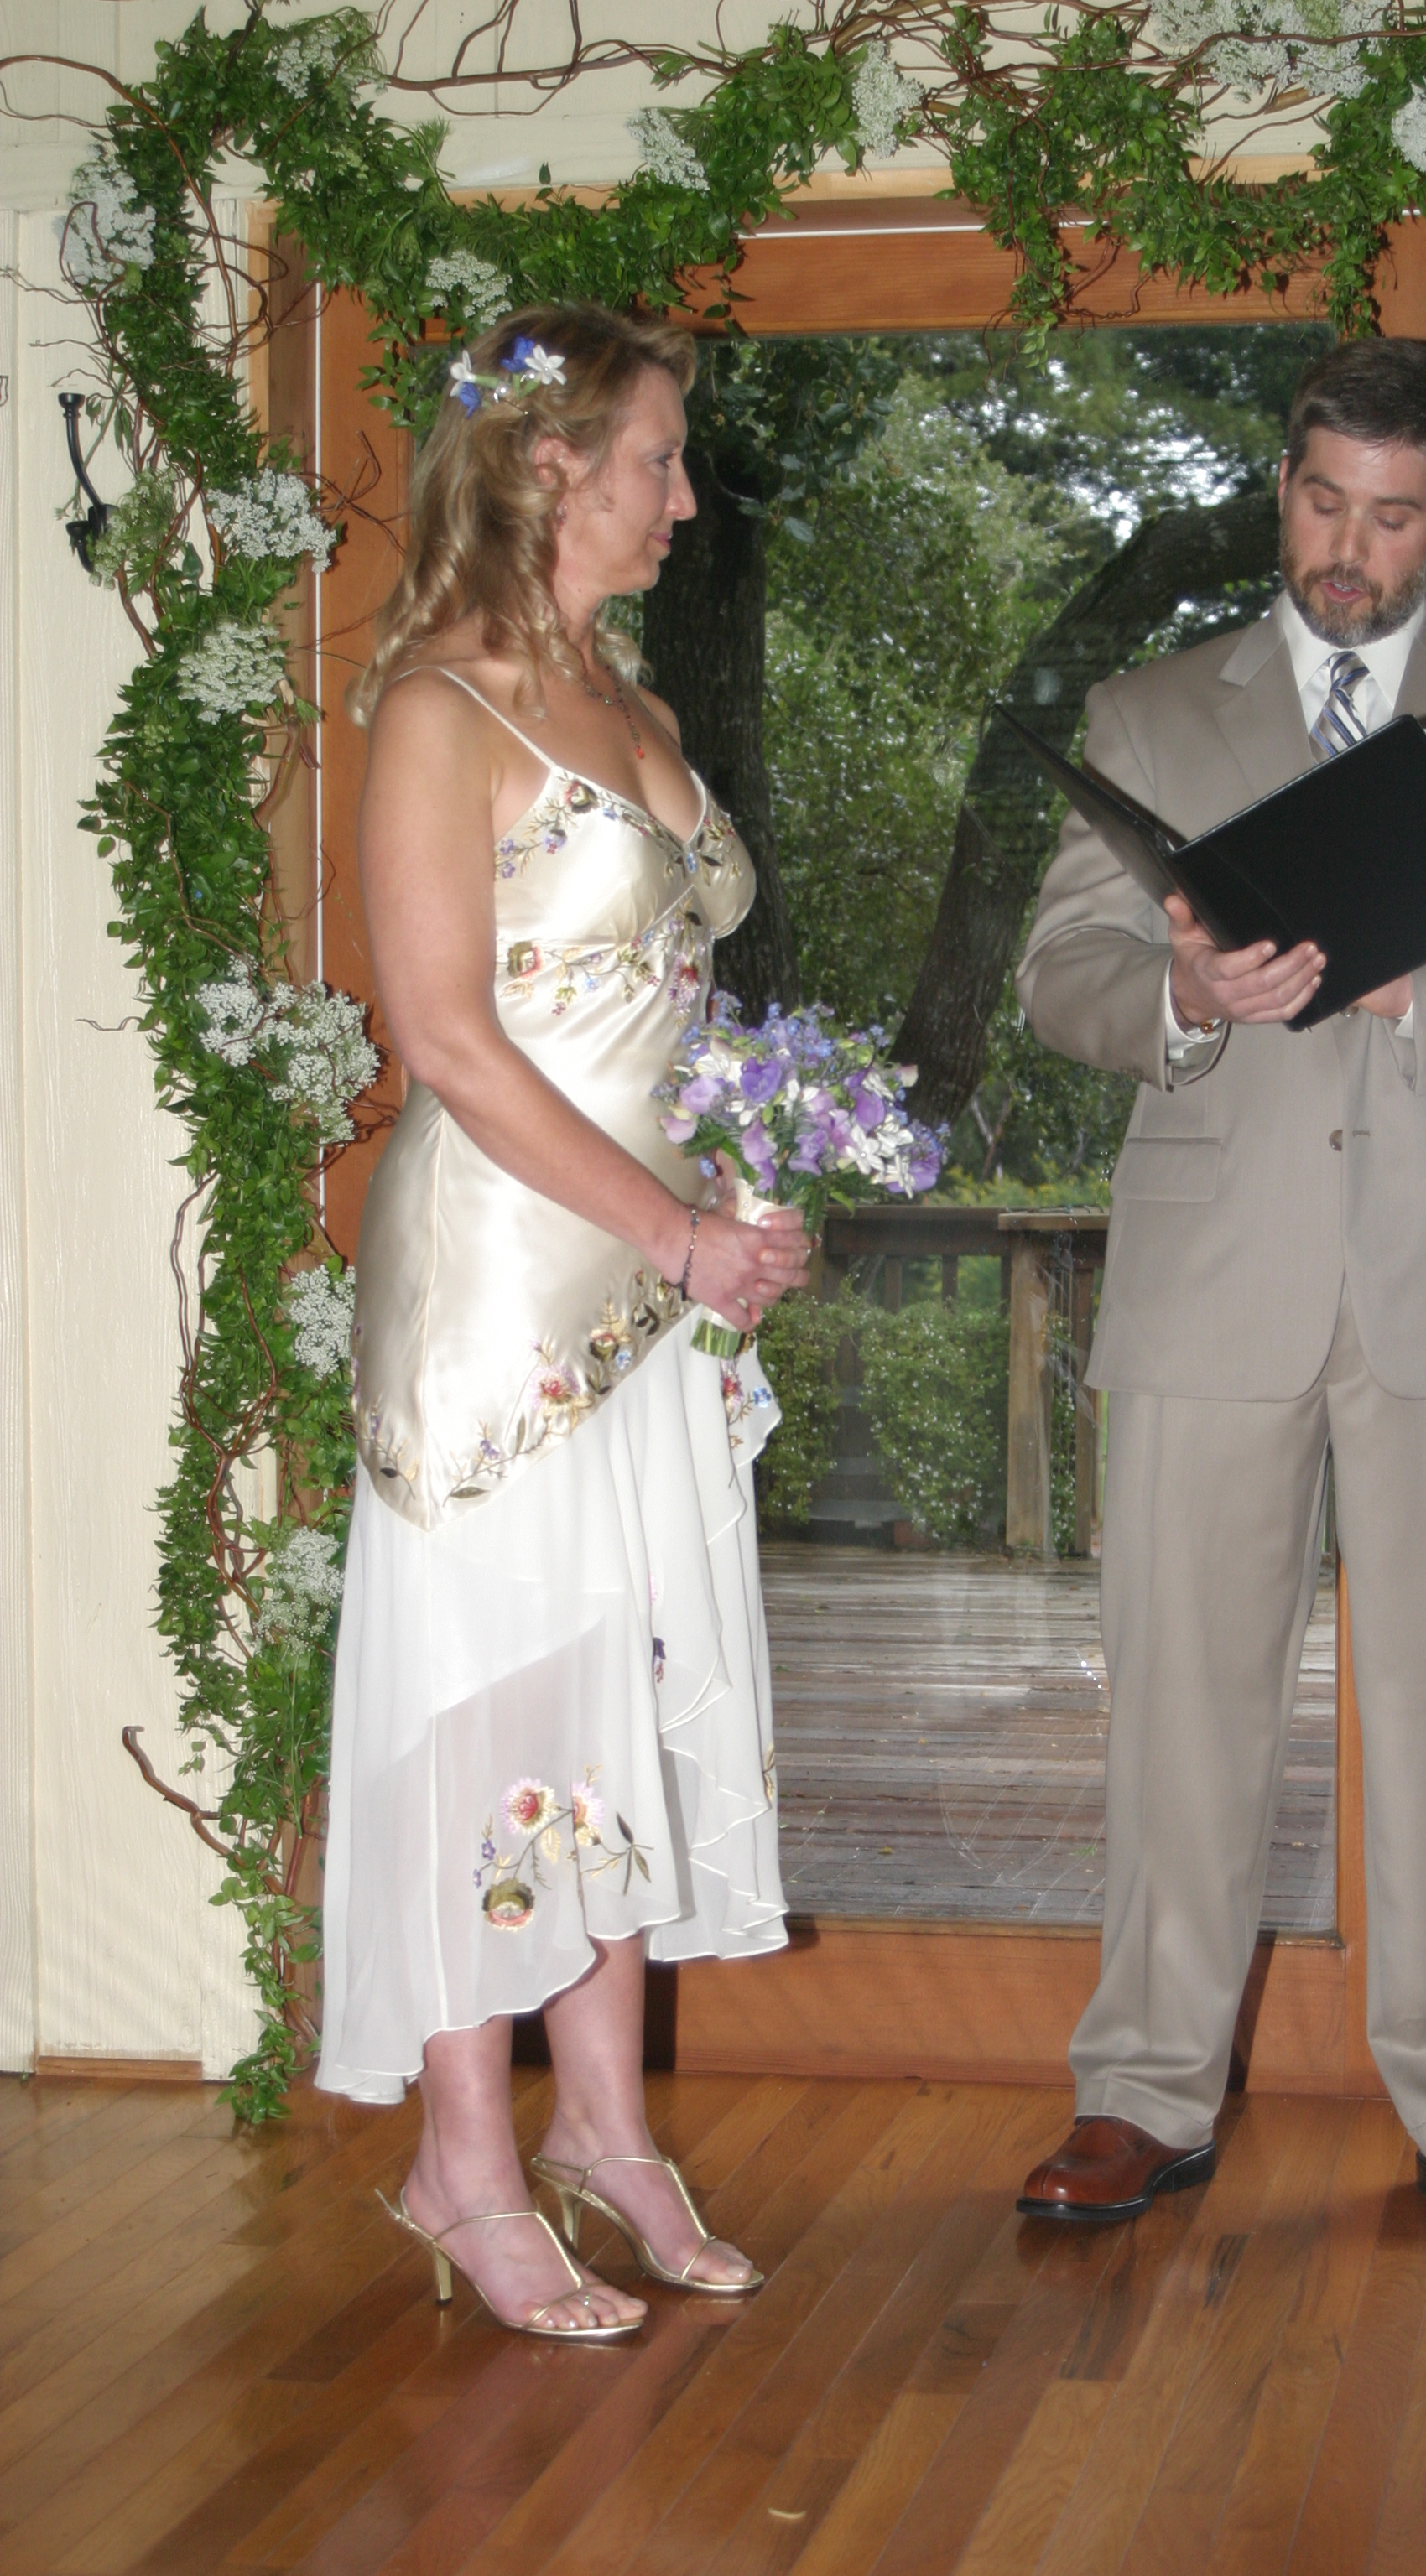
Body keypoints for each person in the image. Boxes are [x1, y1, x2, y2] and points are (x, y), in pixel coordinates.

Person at [1015, 336, 1426, 2245]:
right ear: (1282, 489)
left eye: (1389, 516)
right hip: (1213, 1268)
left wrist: (1409, 981)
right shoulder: (1151, 711)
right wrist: (1179, 994)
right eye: (1319, 503)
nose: (1345, 549)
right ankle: (1141, 2089)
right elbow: (1060, 974)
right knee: (1177, 1708)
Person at [315, 303, 809, 2340]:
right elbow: (444, 1037)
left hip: (653, 1276)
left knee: (614, 1693)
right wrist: (672, 1234)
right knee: (490, 1713)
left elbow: (671, 1011)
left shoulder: (636, 704)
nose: (684, 500)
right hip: (506, 1284)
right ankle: (462, 2158)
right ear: (544, 465)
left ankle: (604, 2129)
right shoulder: (442, 709)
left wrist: (741, 1199)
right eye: (656, 461)